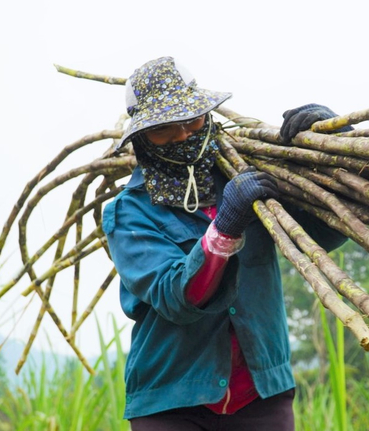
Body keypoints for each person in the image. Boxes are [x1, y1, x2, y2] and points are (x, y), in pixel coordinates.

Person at [103, 56, 348, 431]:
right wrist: (226, 225)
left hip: (260, 395)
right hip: (173, 402)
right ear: (142, 138)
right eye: (163, 130)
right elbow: (178, 297)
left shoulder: (246, 175)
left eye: (192, 120)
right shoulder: (129, 213)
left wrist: (332, 145)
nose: (183, 135)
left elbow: (329, 231)